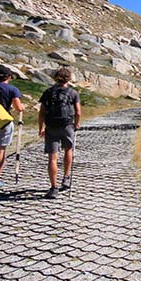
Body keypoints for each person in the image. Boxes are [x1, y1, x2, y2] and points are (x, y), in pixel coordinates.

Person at [38, 68, 81, 199]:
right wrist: (77, 123)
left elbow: (41, 113)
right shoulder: (73, 93)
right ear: (69, 78)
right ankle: (66, 177)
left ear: (56, 78)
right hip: (67, 124)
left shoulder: (48, 92)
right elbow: (78, 111)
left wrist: (41, 128)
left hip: (51, 125)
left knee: (52, 157)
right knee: (68, 150)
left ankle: (53, 187)